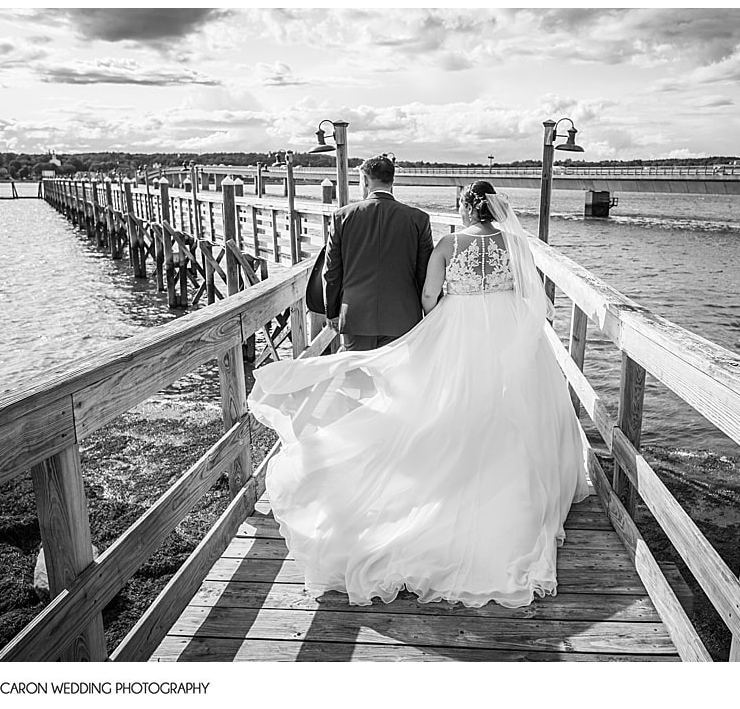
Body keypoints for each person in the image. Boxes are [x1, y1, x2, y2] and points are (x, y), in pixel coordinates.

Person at [247, 180, 590, 609]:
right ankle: (512, 493)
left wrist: (440, 321)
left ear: (466, 209)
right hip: (505, 327)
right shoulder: (517, 244)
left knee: (449, 404)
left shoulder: (449, 243)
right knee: (514, 407)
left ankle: (453, 478)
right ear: (497, 209)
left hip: (460, 328)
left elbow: (430, 294)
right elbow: (531, 294)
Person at [323, 154, 433, 352]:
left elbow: (332, 271)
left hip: (355, 315)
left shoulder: (342, 217)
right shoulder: (419, 219)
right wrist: (430, 314)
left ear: (365, 180)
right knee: (397, 380)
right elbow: (425, 274)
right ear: (392, 181)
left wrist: (332, 311)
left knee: (356, 379)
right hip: (403, 318)